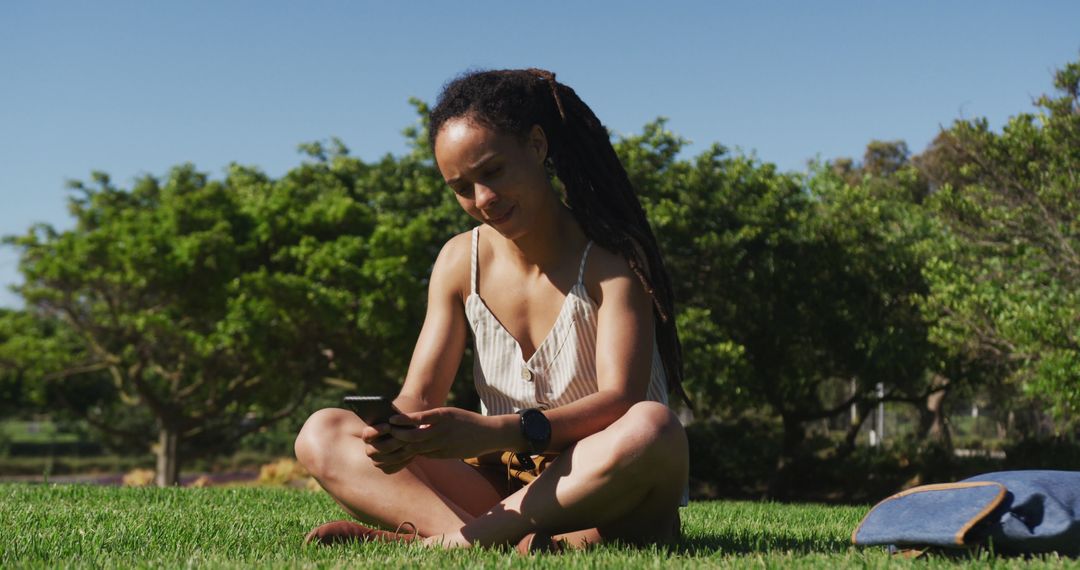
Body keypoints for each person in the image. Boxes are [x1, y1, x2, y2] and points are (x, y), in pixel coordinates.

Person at [294, 68, 690, 552]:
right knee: (323, 432)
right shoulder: (460, 260)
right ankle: (497, 542)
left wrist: (491, 431)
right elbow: (418, 393)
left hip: (602, 482)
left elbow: (621, 402)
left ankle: (450, 543)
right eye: (461, 187)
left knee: (654, 428)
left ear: (537, 145)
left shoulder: (613, 259)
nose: (483, 199)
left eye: (493, 171)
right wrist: (398, 434)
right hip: (503, 488)